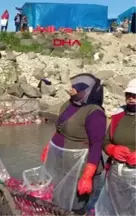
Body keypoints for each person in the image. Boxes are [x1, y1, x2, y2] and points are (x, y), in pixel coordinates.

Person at [40, 73, 106, 214]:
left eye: (74, 87)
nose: (70, 90)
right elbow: (60, 130)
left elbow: (96, 145)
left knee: (76, 208)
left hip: (81, 168)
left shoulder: (95, 113)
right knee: (58, 202)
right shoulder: (68, 104)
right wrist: (49, 147)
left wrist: (87, 176)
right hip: (63, 163)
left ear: (85, 91)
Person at [95, 78, 136, 216]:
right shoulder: (118, 116)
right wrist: (111, 149)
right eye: (128, 95)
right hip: (116, 173)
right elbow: (105, 140)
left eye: (135, 95)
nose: (131, 98)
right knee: (117, 207)